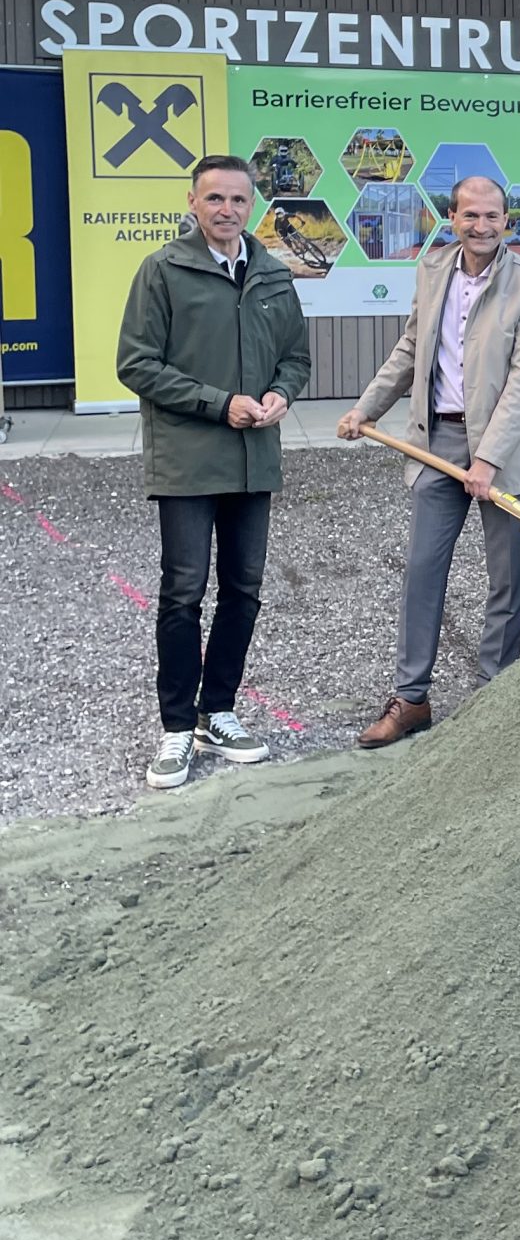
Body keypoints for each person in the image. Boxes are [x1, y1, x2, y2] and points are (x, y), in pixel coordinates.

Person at [339, 174, 520, 747]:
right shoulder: (434, 268)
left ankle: (493, 695)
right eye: (470, 215)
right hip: (436, 443)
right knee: (422, 570)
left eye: (492, 216)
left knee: (506, 578)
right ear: (453, 217)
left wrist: (487, 459)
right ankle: (411, 698)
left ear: (507, 221)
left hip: (505, 453)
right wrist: (365, 408)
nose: (481, 226)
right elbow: (410, 350)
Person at [116, 153, 312, 791]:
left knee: (244, 589)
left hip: (254, 459)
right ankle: (176, 726)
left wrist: (281, 393)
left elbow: (296, 357)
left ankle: (216, 712)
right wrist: (218, 403)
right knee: (183, 592)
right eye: (215, 199)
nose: (227, 210)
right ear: (193, 203)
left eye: (238, 199)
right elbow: (136, 363)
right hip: (188, 459)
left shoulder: (273, 274)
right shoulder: (163, 270)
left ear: (253, 205)